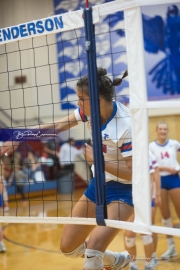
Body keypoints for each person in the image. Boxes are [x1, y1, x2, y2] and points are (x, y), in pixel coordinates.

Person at [1, 68, 133, 270]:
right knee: (68, 248)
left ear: (97, 100)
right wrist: (19, 136)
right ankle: (117, 260)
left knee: (91, 254)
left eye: (81, 98)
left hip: (125, 191)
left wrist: (98, 161)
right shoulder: (89, 113)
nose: (78, 103)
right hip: (98, 186)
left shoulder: (126, 125)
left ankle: (102, 259)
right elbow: (55, 127)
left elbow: (134, 173)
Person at [124, 152, 161, 270]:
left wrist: (149, 201)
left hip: (145, 200)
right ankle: (133, 264)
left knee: (146, 233)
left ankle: (149, 262)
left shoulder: (145, 152)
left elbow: (152, 179)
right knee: (129, 235)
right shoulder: (122, 153)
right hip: (130, 199)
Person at [149, 121, 180, 259]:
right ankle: (171, 247)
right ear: (156, 131)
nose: (162, 131)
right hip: (159, 181)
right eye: (160, 129)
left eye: (165, 129)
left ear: (167, 131)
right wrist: (166, 168)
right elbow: (152, 166)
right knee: (165, 216)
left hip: (174, 179)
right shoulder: (151, 146)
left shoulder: (174, 144)